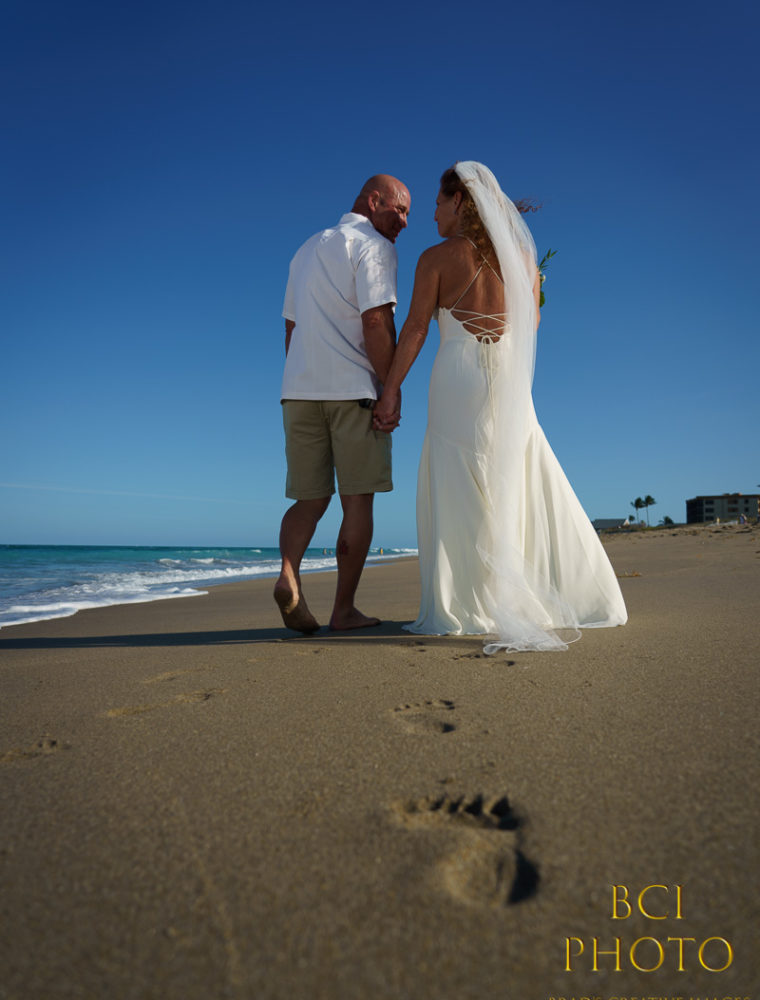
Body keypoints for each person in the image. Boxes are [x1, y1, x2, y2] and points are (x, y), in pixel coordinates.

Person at [373, 161, 627, 652]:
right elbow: (529, 329)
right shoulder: (525, 263)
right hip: (510, 381)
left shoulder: (435, 258)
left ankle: (462, 606)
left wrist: (389, 389)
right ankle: (565, 594)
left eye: (439, 204)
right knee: (521, 473)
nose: (433, 214)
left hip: (457, 377)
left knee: (457, 477)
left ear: (461, 203)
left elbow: (417, 329)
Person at [274, 174, 411, 633]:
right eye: (400, 209)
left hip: (298, 391)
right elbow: (376, 321)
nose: (405, 221)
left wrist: (304, 377)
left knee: (308, 499)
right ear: (374, 201)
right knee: (357, 503)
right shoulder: (374, 245)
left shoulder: (306, 249)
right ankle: (343, 610)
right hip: (353, 390)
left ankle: (289, 575)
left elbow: (291, 330)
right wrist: (389, 386)